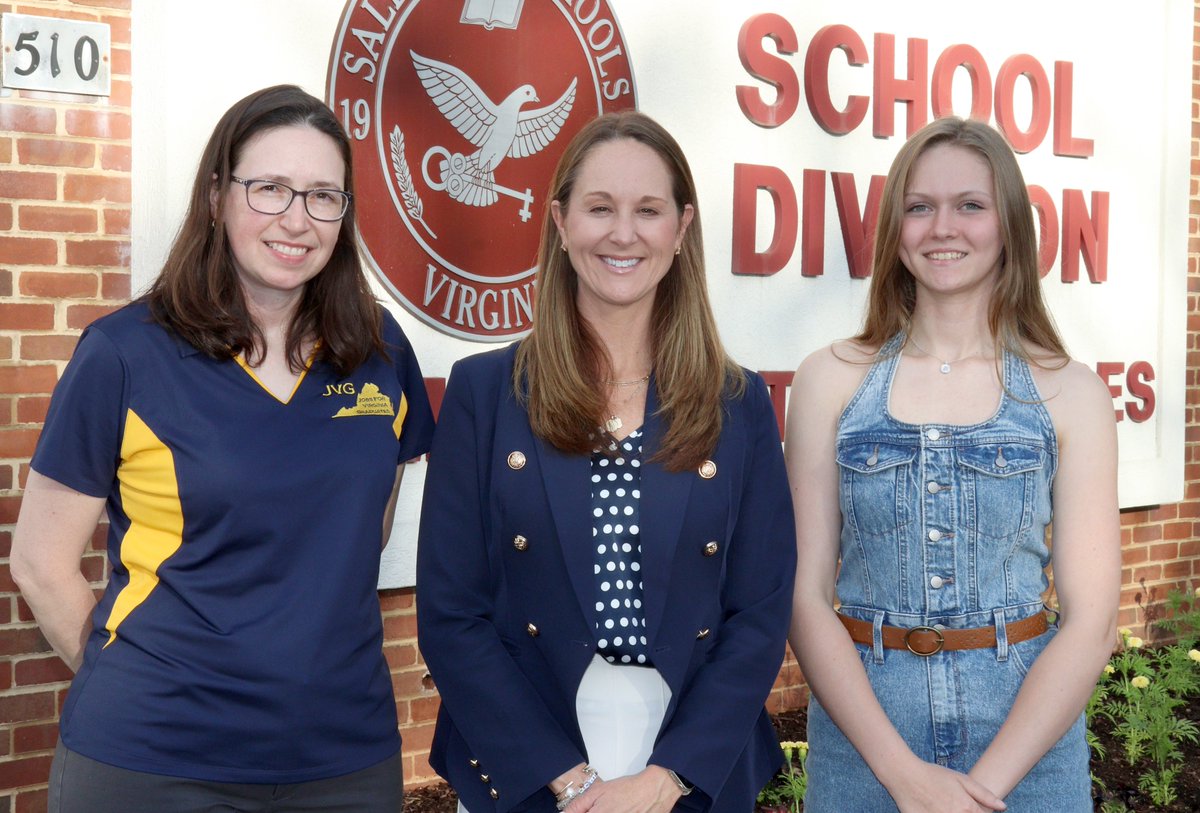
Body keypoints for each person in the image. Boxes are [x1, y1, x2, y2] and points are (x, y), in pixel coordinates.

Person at [10, 84, 434, 813]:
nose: (295, 220)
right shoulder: (124, 353)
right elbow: (40, 564)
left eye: (322, 196)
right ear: (217, 196)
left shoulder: (379, 350)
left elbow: (368, 525)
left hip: (342, 760)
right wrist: (142, 680)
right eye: (269, 188)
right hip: (154, 764)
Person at [416, 111, 796, 813]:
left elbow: (760, 611)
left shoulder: (736, 402)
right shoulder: (486, 392)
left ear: (681, 230)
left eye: (647, 210)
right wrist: (568, 780)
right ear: (560, 223)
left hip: (692, 755)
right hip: (527, 753)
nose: (623, 232)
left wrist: (668, 775)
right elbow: (451, 613)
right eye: (599, 208)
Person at [785, 116, 1120, 812]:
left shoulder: (1072, 392)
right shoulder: (828, 380)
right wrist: (903, 776)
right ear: (894, 228)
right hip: (865, 747)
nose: (943, 227)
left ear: (1009, 225)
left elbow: (1092, 621)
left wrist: (982, 790)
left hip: (1027, 746)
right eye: (919, 206)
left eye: (970, 204)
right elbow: (804, 595)